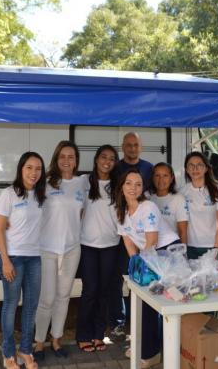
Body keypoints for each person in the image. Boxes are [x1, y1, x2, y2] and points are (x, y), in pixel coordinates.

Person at [115, 168, 180, 368]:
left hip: (165, 255)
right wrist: (136, 267)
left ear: (143, 188)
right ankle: (147, 347)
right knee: (144, 304)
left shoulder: (148, 207)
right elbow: (128, 243)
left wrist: (142, 269)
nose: (133, 188)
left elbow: (151, 242)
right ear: (121, 186)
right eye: (128, 183)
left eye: (138, 184)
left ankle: (152, 353)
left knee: (156, 304)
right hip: (147, 258)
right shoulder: (120, 211)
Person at [0, 152, 47, 369]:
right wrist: (5, 260)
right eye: (29, 168)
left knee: (31, 306)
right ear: (21, 169)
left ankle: (26, 350)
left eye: (38, 169)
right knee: (10, 305)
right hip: (13, 257)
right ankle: (8, 354)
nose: (34, 173)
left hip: (34, 257)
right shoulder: (8, 194)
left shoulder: (41, 195)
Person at [34, 141, 85, 361]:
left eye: (71, 156)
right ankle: (38, 343)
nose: (67, 160)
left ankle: (56, 340)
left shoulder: (82, 183)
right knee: (46, 299)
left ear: (76, 160)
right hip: (47, 248)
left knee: (64, 297)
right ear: (56, 158)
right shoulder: (45, 183)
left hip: (72, 248)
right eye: (62, 156)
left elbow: (82, 213)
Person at [109, 132, 154, 341]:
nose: (132, 148)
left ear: (141, 147)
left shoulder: (149, 168)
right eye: (128, 145)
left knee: (142, 279)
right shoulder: (116, 168)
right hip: (124, 232)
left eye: (135, 145)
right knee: (122, 278)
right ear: (123, 147)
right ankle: (120, 322)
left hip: (143, 234)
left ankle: (140, 326)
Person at [75, 145, 120, 353]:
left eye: (111, 159)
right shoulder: (84, 181)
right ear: (96, 159)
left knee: (104, 292)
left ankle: (98, 334)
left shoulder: (118, 184)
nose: (107, 162)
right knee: (90, 291)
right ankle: (83, 335)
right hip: (88, 246)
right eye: (104, 157)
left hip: (111, 245)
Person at [181, 152, 218, 259]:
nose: (195, 169)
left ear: (206, 168)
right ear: (186, 169)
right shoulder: (182, 192)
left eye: (199, 165)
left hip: (211, 247)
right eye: (191, 165)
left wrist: (216, 249)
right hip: (189, 247)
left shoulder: (217, 189)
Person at [148, 162, 188, 245]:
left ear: (172, 178)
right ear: (152, 178)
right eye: (157, 175)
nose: (161, 180)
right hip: (151, 247)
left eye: (165, 176)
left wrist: (182, 253)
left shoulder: (178, 199)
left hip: (171, 247)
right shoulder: (148, 198)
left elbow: (182, 231)